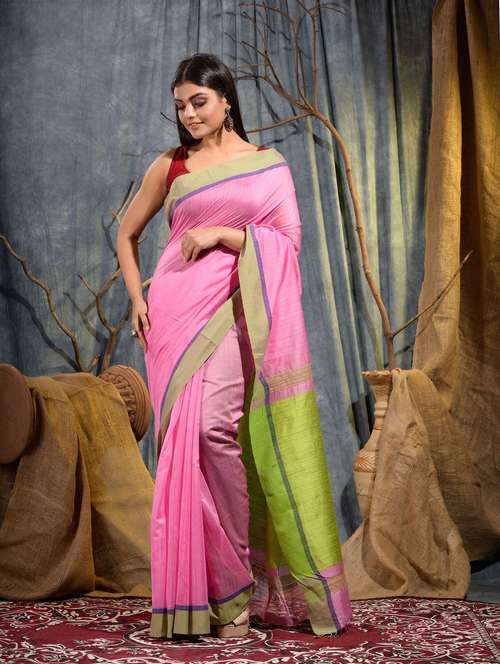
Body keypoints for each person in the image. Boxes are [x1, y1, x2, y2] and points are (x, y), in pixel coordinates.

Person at [116, 52, 351, 640]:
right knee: (186, 446)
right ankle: (213, 597)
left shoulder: (267, 166)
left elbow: (287, 241)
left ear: (225, 100)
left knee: (213, 433)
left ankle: (236, 585)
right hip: (173, 315)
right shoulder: (172, 165)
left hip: (234, 309)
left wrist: (224, 233)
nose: (189, 115)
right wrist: (138, 298)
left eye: (199, 102)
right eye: (180, 106)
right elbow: (126, 233)